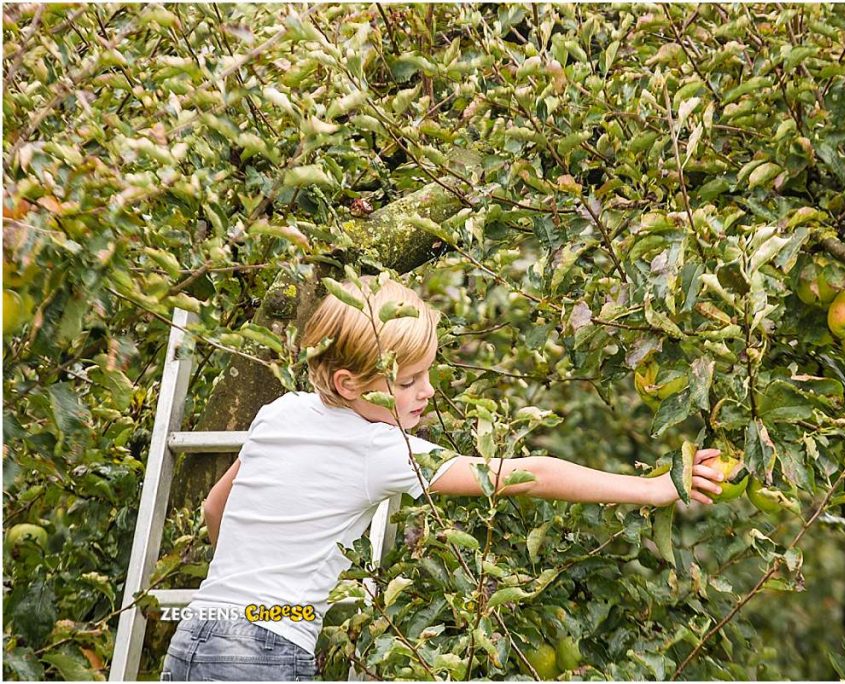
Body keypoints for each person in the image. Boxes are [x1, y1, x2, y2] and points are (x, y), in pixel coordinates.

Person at [159, 275, 726, 681]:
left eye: (427, 373)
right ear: (350, 383)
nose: (426, 391)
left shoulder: (277, 413)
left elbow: (215, 509)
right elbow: (524, 475)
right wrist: (655, 487)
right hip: (265, 653)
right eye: (409, 382)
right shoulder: (380, 450)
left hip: (196, 633)